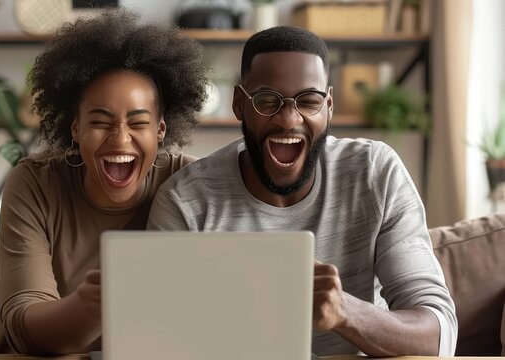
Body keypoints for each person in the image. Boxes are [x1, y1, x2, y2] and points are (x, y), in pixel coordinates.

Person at [147, 26, 457, 356]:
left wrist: (344, 312)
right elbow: (155, 340)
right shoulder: (185, 202)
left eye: (309, 101)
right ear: (240, 104)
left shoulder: (375, 174)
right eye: (267, 100)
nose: (288, 119)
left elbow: (439, 335)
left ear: (329, 106)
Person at [0, 9, 206, 354]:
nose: (120, 139)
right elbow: (24, 325)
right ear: (75, 129)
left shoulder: (190, 182)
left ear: (160, 130)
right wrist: (93, 305)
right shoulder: (35, 183)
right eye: (100, 122)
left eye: (138, 123)